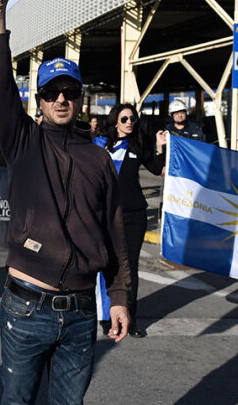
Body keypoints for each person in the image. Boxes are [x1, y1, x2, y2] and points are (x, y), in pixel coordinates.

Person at [0, 0, 131, 404]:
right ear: (39, 100)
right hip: (26, 307)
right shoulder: (23, 141)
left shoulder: (99, 159)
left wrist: (119, 297)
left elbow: (115, 234)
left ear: (81, 97)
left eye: (69, 91)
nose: (61, 99)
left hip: (83, 313)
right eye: (51, 93)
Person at [97, 103, 164, 338]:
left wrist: (160, 146)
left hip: (135, 214)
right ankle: (107, 316)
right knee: (107, 263)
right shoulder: (100, 145)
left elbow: (156, 169)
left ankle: (131, 319)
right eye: (124, 119)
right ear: (115, 121)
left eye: (132, 119)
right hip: (107, 214)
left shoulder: (138, 143)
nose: (129, 123)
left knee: (130, 267)